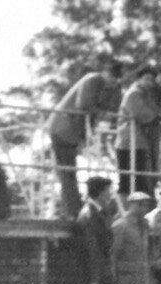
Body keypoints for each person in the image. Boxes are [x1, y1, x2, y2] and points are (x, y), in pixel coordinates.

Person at [47, 59, 120, 217]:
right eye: (112, 75)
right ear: (105, 72)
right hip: (63, 129)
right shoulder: (94, 79)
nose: (114, 79)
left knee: (70, 173)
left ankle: (71, 209)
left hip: (71, 133)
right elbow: (83, 104)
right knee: (67, 173)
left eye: (117, 77)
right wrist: (99, 113)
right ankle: (72, 211)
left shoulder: (105, 86)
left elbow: (103, 108)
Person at [116, 66, 161, 195]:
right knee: (127, 181)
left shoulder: (146, 95)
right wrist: (152, 115)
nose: (149, 82)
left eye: (152, 80)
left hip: (139, 142)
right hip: (128, 142)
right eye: (146, 79)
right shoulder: (134, 94)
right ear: (139, 79)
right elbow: (144, 115)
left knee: (140, 180)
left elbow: (154, 113)